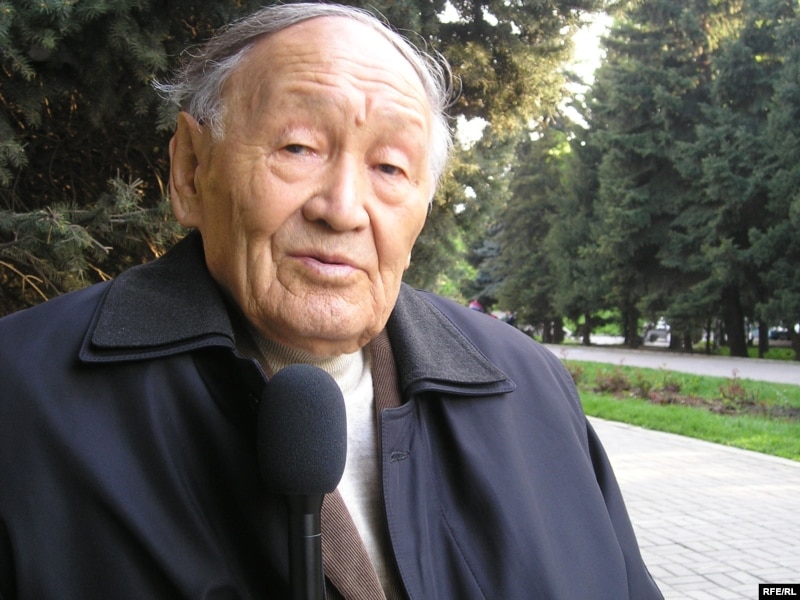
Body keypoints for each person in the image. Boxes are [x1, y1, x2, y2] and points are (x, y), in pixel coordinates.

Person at [0, 3, 663, 599]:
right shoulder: (23, 398)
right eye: (298, 147)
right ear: (191, 170)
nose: (343, 209)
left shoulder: (530, 388)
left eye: (390, 168)